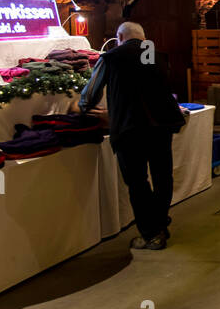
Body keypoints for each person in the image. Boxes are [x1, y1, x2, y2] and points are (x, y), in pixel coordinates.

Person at [79, 21, 186, 250]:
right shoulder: (154, 54)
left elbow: (90, 95)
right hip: (159, 127)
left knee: (137, 182)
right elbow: (151, 83)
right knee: (162, 177)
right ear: (142, 38)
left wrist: (84, 107)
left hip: (130, 129)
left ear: (120, 36)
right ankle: (159, 225)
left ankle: (152, 234)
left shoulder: (111, 57)